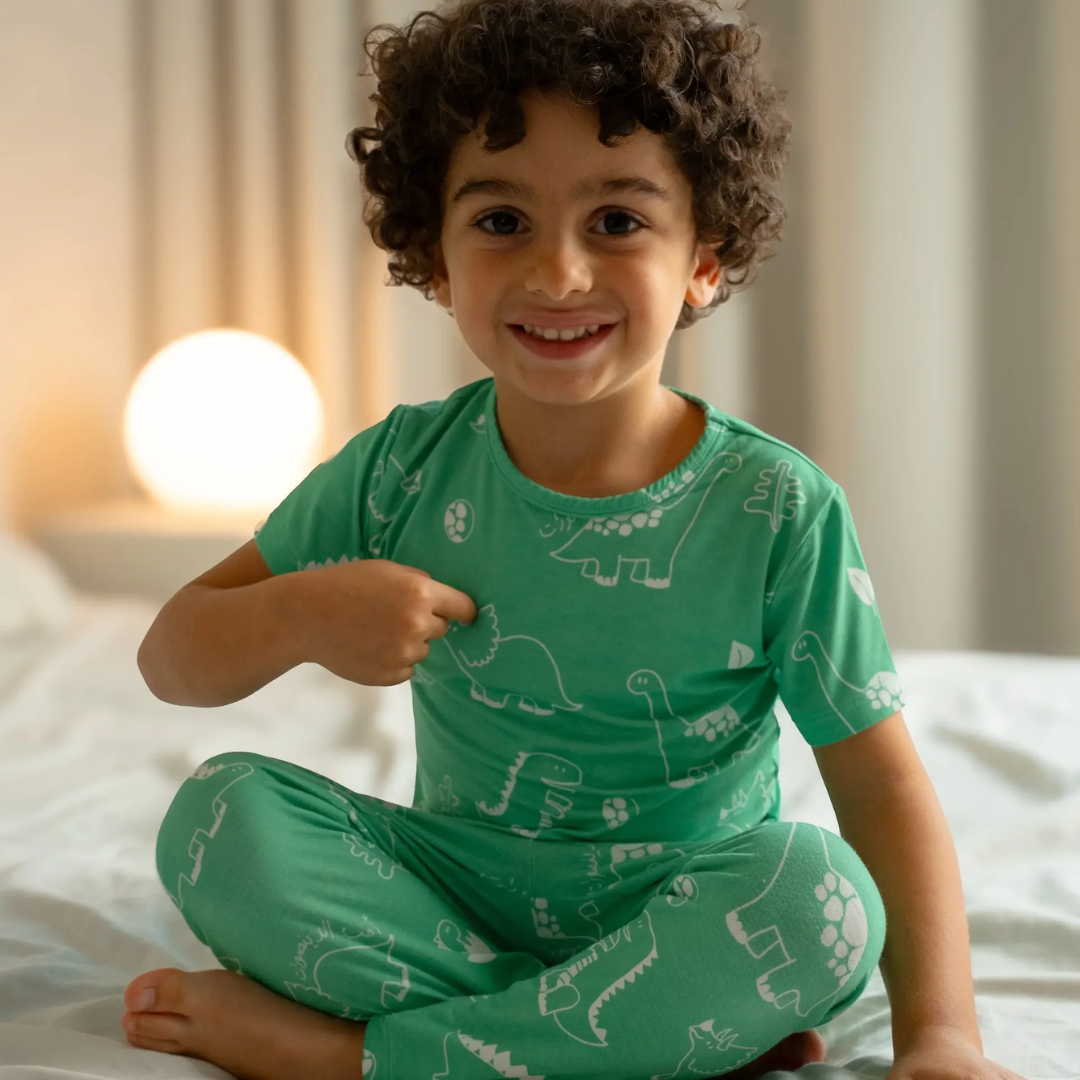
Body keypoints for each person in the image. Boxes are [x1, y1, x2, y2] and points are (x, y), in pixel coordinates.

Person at [119, 2, 1009, 1079]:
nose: (557, 274)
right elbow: (170, 658)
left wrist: (942, 1038)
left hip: (689, 907)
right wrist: (302, 615)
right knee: (216, 815)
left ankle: (351, 1059)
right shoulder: (399, 470)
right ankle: (638, 1037)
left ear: (705, 260)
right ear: (436, 259)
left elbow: (880, 788)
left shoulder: (778, 507)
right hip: (450, 900)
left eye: (617, 221)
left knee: (821, 898)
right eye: (502, 221)